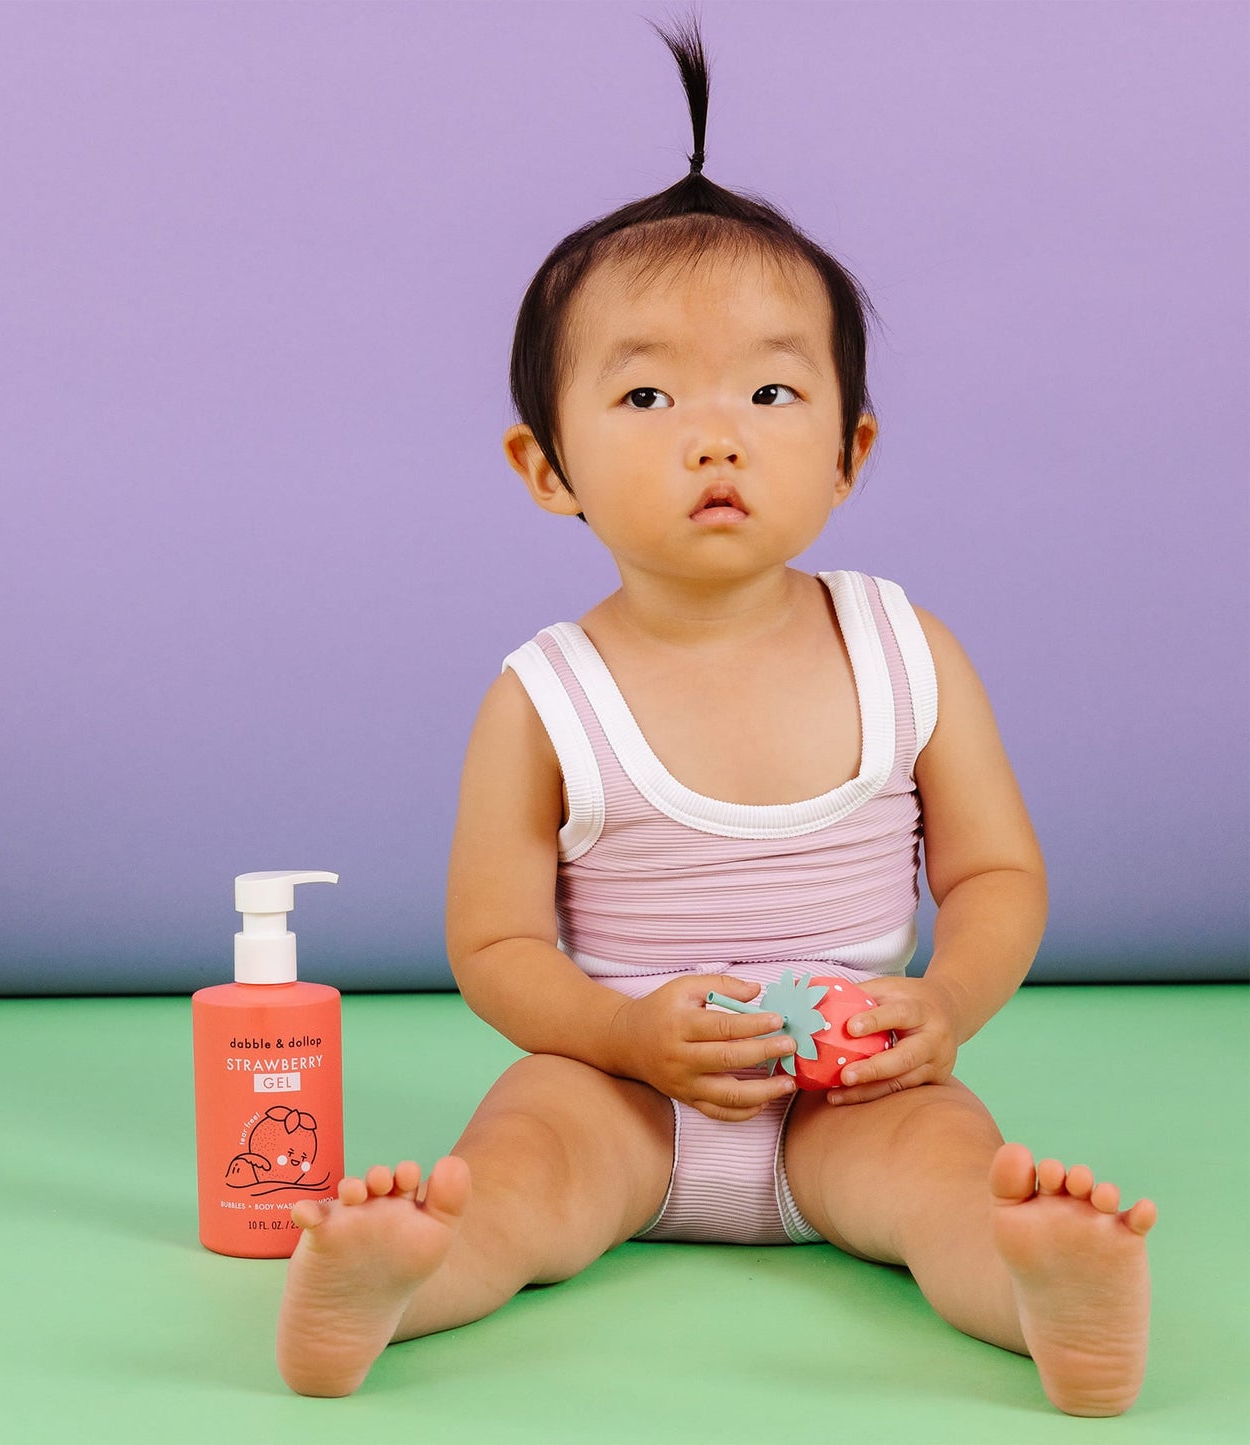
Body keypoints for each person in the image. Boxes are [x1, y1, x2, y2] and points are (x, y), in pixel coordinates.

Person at [275, 13, 1155, 1414]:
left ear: (849, 448)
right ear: (544, 466)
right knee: (520, 1174)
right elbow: (494, 940)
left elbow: (993, 872)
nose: (714, 433)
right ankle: (399, 1271)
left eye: (768, 387)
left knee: (942, 1175)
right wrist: (623, 1042)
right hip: (618, 1078)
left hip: (851, 1083)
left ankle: (1042, 1285)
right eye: (643, 392)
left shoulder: (902, 646)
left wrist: (942, 1005)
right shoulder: (543, 695)